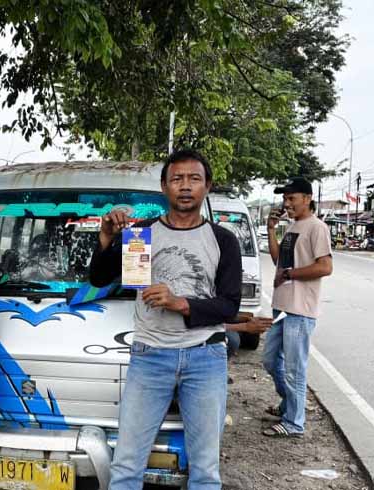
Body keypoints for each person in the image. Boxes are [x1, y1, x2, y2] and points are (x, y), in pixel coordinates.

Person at [89, 149, 242, 490]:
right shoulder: (141, 234)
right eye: (177, 179)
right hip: (149, 356)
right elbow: (100, 279)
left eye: (194, 179)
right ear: (164, 186)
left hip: (205, 356)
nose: (185, 186)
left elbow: (230, 306)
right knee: (127, 465)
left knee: (205, 470)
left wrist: (180, 303)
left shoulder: (223, 240)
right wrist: (106, 239)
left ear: (207, 186)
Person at [262, 177, 333, 438]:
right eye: (285, 199)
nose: (287, 204)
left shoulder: (317, 228)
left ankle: (294, 422)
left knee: (294, 368)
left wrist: (291, 274)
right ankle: (288, 405)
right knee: (270, 360)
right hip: (281, 306)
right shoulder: (293, 227)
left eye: (291, 198)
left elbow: (325, 267)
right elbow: (278, 260)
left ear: (307, 198)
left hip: (300, 310)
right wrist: (271, 229)